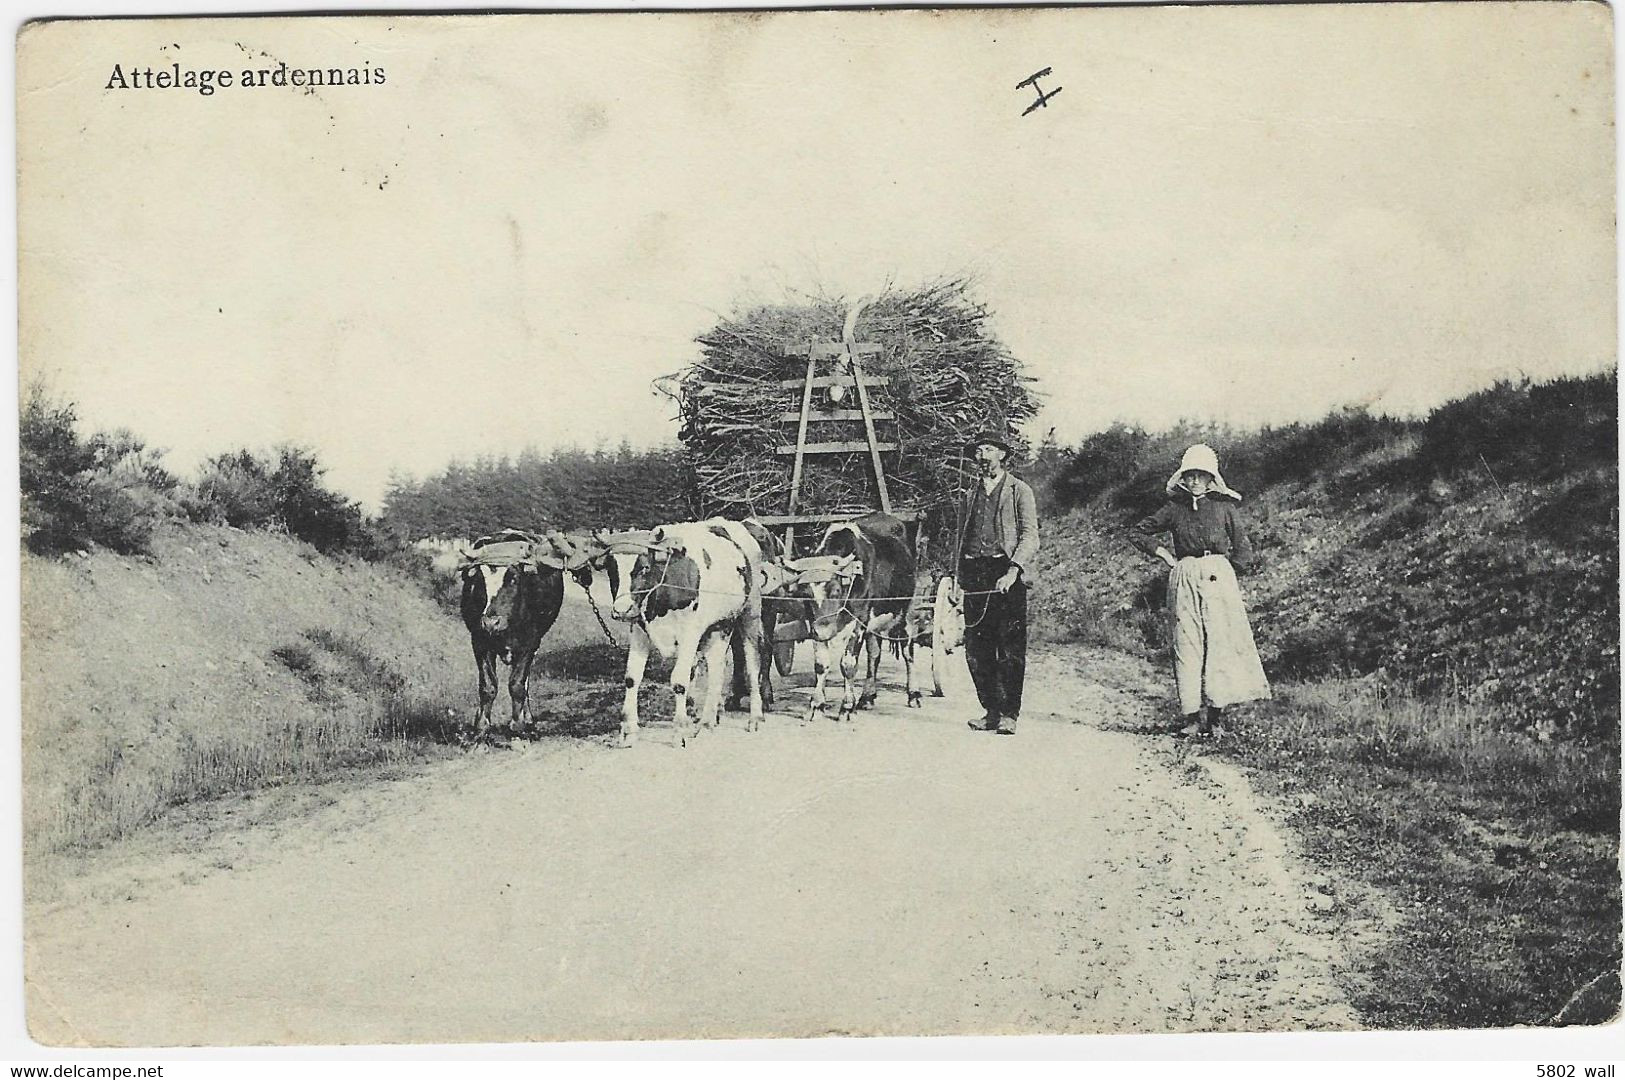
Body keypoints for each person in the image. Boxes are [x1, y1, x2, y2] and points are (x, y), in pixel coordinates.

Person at [1130, 444, 1271, 736]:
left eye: (1201, 475)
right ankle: (1192, 718)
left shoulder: (1224, 508)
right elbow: (1138, 531)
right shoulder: (1174, 509)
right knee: (1187, 643)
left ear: (1211, 479)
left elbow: (1244, 548)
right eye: (1190, 475)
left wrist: (1228, 570)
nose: (1195, 481)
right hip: (1185, 576)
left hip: (1218, 577)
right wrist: (1165, 555)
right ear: (1183, 477)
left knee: (1220, 644)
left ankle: (1216, 718)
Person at [958, 431, 1040, 736]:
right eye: (979, 451)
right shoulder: (969, 495)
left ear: (1003, 455)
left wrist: (1013, 570)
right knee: (977, 648)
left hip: (1007, 572)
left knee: (1010, 646)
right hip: (974, 572)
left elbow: (1031, 537)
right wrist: (957, 579)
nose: (982, 456)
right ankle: (990, 710)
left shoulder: (1020, 491)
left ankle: (1009, 714)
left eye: (988, 450)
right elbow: (959, 540)